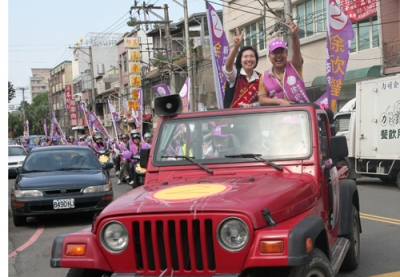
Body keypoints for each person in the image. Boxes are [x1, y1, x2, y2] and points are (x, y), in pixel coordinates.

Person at [258, 17, 309, 106]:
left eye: (281, 52)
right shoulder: (264, 76)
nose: (278, 55)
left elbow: (296, 51)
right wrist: (279, 101)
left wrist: (294, 36)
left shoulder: (294, 65)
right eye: (275, 53)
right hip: (277, 116)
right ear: (269, 57)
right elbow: (262, 100)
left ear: (286, 53)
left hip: (300, 113)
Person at [223, 28, 261, 109]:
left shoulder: (261, 78)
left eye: (252, 56)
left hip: (253, 118)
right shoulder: (235, 75)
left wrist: (252, 105)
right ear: (240, 61)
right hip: (233, 119)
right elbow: (228, 67)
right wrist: (236, 47)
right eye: (245, 57)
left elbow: (263, 100)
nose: (249, 59)